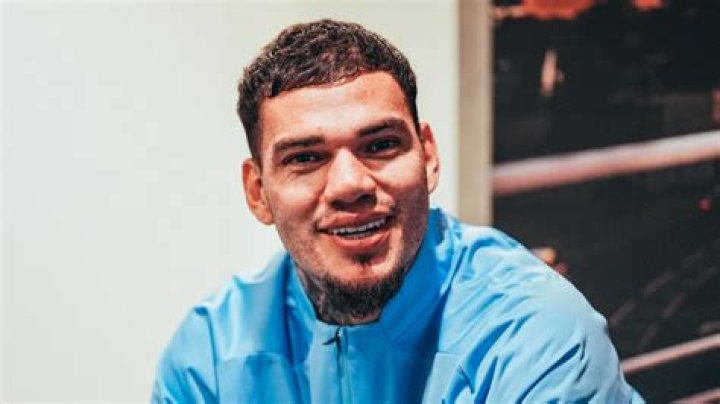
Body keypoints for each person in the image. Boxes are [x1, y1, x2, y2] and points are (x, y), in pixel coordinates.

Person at [152, 19, 642, 403]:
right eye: (305, 158)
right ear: (258, 192)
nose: (350, 185)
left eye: (380, 145)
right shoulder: (211, 353)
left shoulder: (534, 335)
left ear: (427, 158)